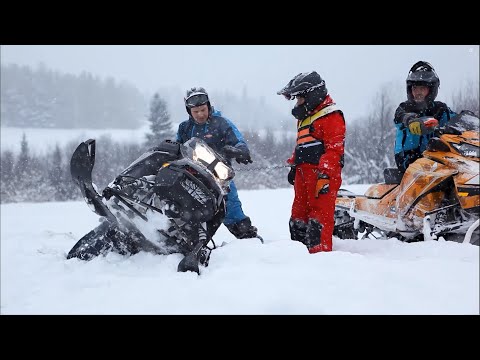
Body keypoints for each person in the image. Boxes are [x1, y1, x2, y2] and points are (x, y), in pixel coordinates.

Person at [176, 87, 258, 239]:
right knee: (188, 213)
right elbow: (176, 147)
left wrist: (240, 150)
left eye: (203, 109)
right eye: (196, 111)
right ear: (189, 111)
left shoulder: (221, 123)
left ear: (208, 106)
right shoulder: (184, 128)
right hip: (192, 178)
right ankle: (189, 242)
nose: (200, 114)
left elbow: (238, 140)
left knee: (231, 208)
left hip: (219, 176)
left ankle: (248, 240)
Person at [277, 71, 346, 253]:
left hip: (322, 176)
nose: (297, 103)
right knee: (298, 218)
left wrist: (325, 174)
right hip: (303, 173)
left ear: (312, 95)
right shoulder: (305, 117)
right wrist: (294, 164)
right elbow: (302, 145)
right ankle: (299, 256)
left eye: (299, 98)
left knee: (319, 221)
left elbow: (334, 149)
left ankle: (321, 259)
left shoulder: (331, 115)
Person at [394, 61, 456, 172]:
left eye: (422, 88)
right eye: (415, 88)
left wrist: (469, 120)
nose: (418, 92)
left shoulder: (441, 109)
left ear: (431, 90)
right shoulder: (404, 108)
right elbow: (400, 116)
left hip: (439, 163)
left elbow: (456, 120)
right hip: (408, 163)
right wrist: (410, 120)